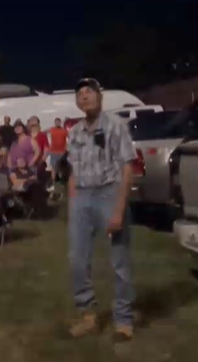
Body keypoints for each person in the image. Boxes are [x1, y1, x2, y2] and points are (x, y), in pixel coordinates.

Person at [66, 77, 138, 341]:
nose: (84, 96)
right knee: (77, 258)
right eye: (80, 93)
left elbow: (127, 168)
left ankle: (123, 319)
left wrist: (118, 210)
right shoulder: (74, 132)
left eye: (89, 92)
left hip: (109, 193)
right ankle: (87, 315)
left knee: (119, 260)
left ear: (100, 96)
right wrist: (74, 204)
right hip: (82, 196)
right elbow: (73, 172)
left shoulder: (115, 125)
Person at [48, 117, 69, 182]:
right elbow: (46, 134)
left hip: (62, 152)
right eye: (56, 122)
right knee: (53, 167)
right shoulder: (51, 129)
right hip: (53, 152)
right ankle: (54, 181)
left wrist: (67, 148)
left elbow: (70, 138)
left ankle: (62, 181)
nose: (57, 123)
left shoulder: (64, 130)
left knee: (61, 167)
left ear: (60, 122)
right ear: (54, 123)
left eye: (58, 122)